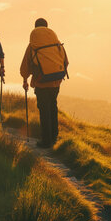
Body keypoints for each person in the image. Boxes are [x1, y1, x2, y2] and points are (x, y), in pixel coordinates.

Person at [20, 18, 69, 148]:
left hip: (41, 82)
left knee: (44, 110)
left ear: (35, 28)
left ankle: (46, 141)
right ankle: (54, 136)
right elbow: (66, 62)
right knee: (53, 107)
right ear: (47, 27)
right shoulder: (56, 43)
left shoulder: (33, 46)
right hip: (56, 82)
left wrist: (25, 80)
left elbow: (25, 66)